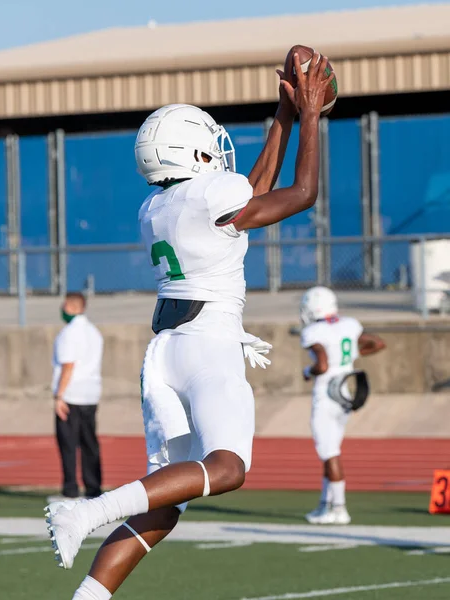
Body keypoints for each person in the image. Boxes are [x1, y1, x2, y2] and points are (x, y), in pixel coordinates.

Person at [45, 52, 332, 599]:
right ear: (193, 150)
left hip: (165, 354)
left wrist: (285, 113)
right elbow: (300, 194)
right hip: (206, 345)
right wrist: (313, 115)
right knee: (228, 468)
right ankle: (87, 511)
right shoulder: (208, 197)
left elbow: (255, 184)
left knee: (164, 501)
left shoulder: (157, 205)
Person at [300, 286, 386, 525]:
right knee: (331, 450)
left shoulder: (314, 331)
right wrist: (351, 354)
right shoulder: (349, 324)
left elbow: (323, 365)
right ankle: (325, 505)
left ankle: (339, 508)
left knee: (329, 453)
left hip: (327, 393)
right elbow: (378, 343)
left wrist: (308, 371)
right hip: (345, 391)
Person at [51, 292, 104, 502]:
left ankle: (70, 489)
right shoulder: (94, 332)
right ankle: (93, 488)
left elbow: (68, 365)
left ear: (72, 307)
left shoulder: (68, 333)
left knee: (68, 443)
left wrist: (59, 396)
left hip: (71, 394)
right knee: (89, 442)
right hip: (90, 394)